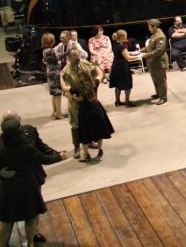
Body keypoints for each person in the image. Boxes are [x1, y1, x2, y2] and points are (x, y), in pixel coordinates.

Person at [0, 118, 67, 247]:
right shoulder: (27, 148)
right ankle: (30, 243)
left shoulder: (1, 151)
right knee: (30, 218)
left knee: (6, 220)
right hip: (28, 187)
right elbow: (45, 159)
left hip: (9, 189)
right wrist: (60, 156)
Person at [60, 48, 103, 159]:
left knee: (88, 123)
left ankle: (89, 142)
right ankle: (77, 147)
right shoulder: (66, 71)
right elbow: (65, 89)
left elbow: (95, 74)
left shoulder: (85, 63)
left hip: (88, 102)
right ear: (69, 59)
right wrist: (74, 97)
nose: (78, 60)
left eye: (78, 57)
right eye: (75, 59)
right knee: (76, 125)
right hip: (75, 103)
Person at [70, 70, 115, 162]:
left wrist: (61, 77)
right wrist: (95, 67)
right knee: (99, 130)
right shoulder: (94, 83)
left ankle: (86, 155)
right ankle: (100, 149)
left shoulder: (76, 88)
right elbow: (100, 74)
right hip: (96, 108)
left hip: (84, 111)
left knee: (85, 133)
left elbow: (64, 88)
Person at [109, 30, 141, 107]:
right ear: (122, 37)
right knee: (127, 83)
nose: (126, 37)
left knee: (118, 84)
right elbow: (127, 57)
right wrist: (139, 56)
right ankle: (127, 101)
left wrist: (132, 53)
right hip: (122, 66)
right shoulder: (122, 46)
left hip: (116, 65)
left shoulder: (115, 44)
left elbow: (124, 53)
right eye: (125, 36)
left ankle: (117, 101)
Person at [141, 19, 169, 106]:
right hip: (152, 62)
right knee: (155, 79)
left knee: (161, 80)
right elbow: (149, 47)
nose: (149, 29)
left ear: (155, 27)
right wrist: (140, 51)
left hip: (159, 62)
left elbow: (158, 51)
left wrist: (146, 55)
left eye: (150, 27)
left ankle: (163, 97)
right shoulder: (154, 35)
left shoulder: (161, 37)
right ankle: (158, 93)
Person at [41, 32, 64, 120]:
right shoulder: (50, 51)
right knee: (58, 93)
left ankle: (54, 112)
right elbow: (58, 58)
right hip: (54, 73)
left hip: (50, 71)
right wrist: (67, 52)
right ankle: (59, 113)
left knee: (54, 94)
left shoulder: (45, 50)